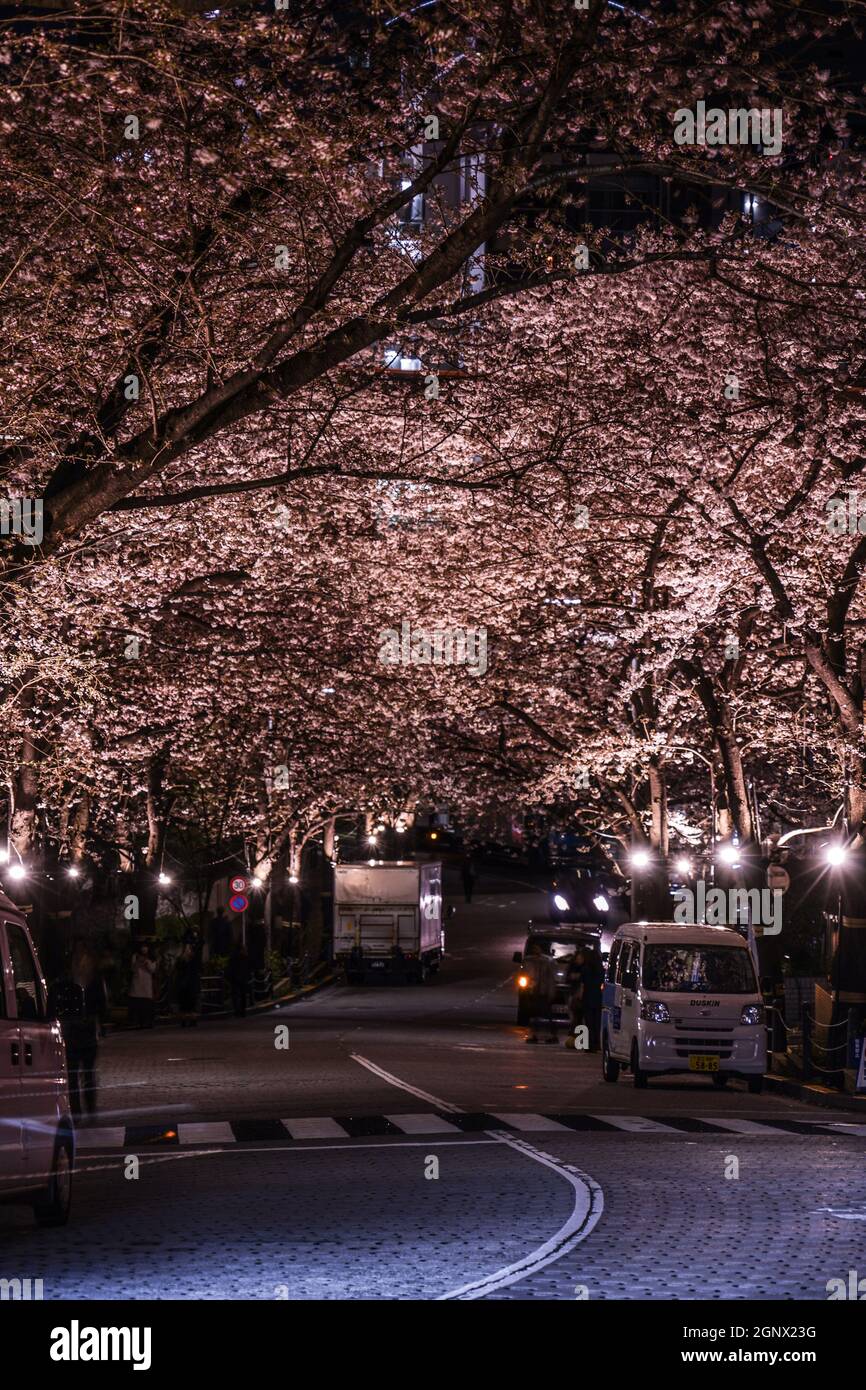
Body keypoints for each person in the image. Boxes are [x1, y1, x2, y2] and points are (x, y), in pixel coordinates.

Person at [48, 940, 108, 1119]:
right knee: (75, 1073)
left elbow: (101, 1004)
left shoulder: (92, 979)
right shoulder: (67, 978)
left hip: (85, 1029)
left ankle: (86, 1109)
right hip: (73, 1029)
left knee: (84, 1072)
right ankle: (78, 1110)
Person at [523, 940, 559, 1044]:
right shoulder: (531, 960)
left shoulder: (547, 961)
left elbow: (551, 978)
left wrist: (551, 992)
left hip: (544, 991)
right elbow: (528, 975)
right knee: (535, 1014)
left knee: (547, 1014)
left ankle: (552, 1035)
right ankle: (535, 1035)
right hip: (535, 991)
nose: (535, 950)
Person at [581, 945, 605, 1051]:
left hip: (588, 996)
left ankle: (588, 1044)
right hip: (598, 997)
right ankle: (597, 1043)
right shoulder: (601, 970)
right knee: (597, 1022)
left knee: (588, 1022)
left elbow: (583, 984)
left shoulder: (586, 969)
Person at [129, 943, 157, 1028]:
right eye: (143, 947)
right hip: (137, 982)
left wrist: (147, 963)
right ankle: (138, 1022)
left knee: (147, 1004)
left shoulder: (151, 958)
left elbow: (152, 969)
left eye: (146, 947)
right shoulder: (135, 956)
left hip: (146, 982)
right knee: (138, 1003)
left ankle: (147, 1022)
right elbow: (132, 968)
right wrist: (138, 962)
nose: (144, 949)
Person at [175, 942, 201, 1027]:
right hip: (184, 985)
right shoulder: (181, 961)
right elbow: (178, 970)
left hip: (191, 984)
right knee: (184, 1003)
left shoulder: (194, 961)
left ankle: (192, 1019)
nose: (188, 951)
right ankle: (184, 1020)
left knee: (191, 1002)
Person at [565, 948, 585, 1048]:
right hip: (574, 995)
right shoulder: (573, 967)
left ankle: (580, 1041)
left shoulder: (585, 968)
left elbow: (582, 982)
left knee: (579, 1018)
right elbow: (568, 978)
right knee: (575, 1017)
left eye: (581, 958)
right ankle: (576, 1040)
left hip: (581, 997)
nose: (579, 960)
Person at [228, 941, 250, 1017]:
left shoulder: (233, 957)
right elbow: (247, 968)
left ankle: (237, 1011)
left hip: (236, 979)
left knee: (236, 996)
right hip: (241, 979)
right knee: (242, 995)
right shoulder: (244, 957)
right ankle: (242, 1011)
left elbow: (230, 969)